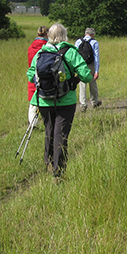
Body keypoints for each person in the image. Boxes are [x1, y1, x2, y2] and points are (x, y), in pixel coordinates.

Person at [27, 23, 92, 180]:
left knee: (49, 131)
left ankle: (48, 162)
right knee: (61, 134)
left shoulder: (41, 52)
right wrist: (74, 79)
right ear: (64, 35)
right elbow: (86, 75)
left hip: (43, 101)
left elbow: (31, 75)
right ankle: (59, 169)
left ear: (49, 35)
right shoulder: (70, 51)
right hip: (65, 100)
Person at [74, 28, 101, 112]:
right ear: (92, 34)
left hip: (81, 65)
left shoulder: (78, 41)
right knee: (93, 83)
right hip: (90, 65)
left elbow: (75, 55)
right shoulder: (94, 42)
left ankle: (83, 104)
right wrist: (96, 70)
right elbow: (96, 57)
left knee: (82, 85)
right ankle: (94, 102)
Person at [27, 26, 48, 124]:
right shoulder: (47, 46)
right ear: (47, 34)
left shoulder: (31, 47)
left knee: (33, 100)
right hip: (45, 75)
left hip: (33, 74)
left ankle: (32, 122)